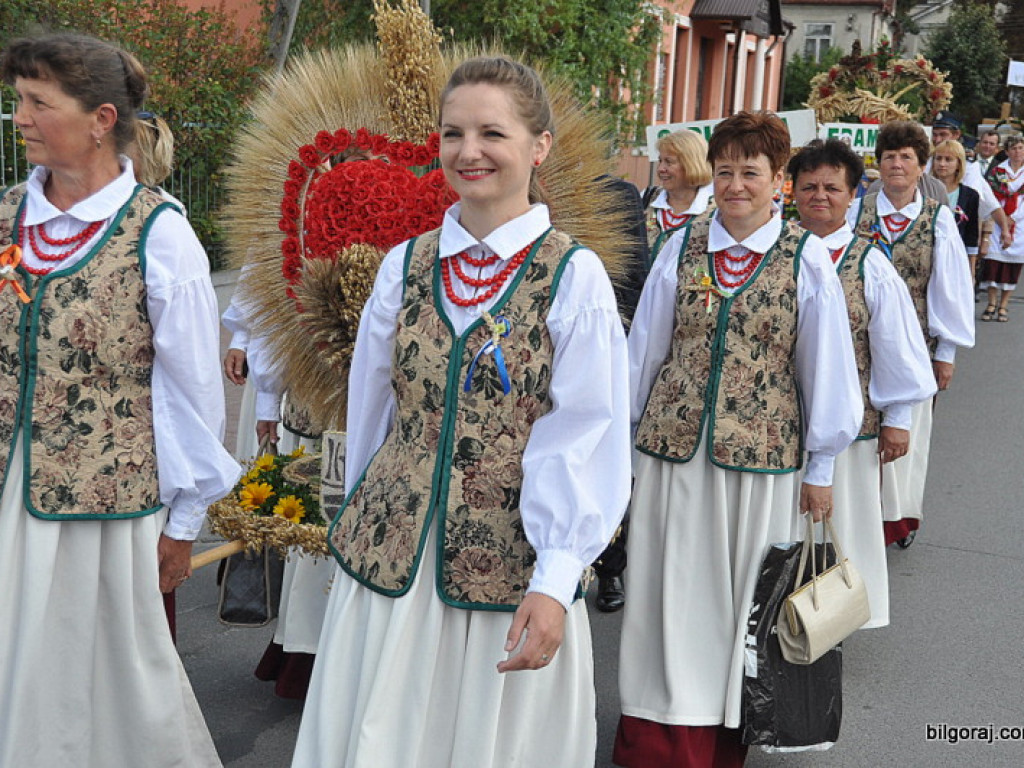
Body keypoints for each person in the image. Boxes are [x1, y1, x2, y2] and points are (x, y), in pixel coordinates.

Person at [290, 56, 630, 768]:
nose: (468, 151)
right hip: (392, 561)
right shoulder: (405, 265)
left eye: (491, 133)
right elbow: (372, 406)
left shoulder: (574, 277)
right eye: (453, 133)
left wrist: (558, 578)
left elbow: (588, 435)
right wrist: (361, 520)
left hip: (508, 571)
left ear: (539, 146)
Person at [0, 33, 239, 767]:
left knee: (105, 687)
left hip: (105, 507)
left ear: (101, 119)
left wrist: (184, 522)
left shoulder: (157, 234)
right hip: (8, 494)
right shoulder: (9, 215)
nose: (21, 118)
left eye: (39, 103)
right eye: (18, 101)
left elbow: (196, 394)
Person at [615, 112, 863, 767]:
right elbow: (645, 351)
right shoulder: (681, 246)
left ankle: (722, 735)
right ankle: (658, 736)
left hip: (759, 464)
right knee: (663, 593)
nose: (735, 185)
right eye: (724, 172)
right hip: (670, 455)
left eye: (751, 172)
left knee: (736, 606)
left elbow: (826, 370)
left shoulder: (805, 259)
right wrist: (621, 447)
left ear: (779, 180)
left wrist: (822, 468)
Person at [789, 139, 936, 628]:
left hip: (850, 426)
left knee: (844, 522)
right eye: (808, 186)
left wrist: (896, 419)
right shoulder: (778, 253)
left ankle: (836, 618)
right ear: (791, 192)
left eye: (832, 187)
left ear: (853, 195)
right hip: (781, 421)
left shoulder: (867, 261)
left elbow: (896, 346)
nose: (819, 196)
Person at [848, 120, 975, 546]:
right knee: (861, 427)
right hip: (858, 340)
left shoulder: (937, 219)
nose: (896, 165)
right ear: (878, 165)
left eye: (906, 157)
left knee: (907, 430)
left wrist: (947, 353)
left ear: (922, 166)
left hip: (917, 342)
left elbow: (950, 286)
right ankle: (859, 510)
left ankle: (897, 520)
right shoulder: (857, 211)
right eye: (889, 157)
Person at [643, 129, 713, 263]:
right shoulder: (646, 199)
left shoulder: (716, 210)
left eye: (669, 162)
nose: (660, 169)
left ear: (691, 164)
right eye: (660, 161)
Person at [930, 139, 982, 278]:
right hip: (928, 258)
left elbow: (971, 234)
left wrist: (971, 270)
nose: (942, 164)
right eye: (938, 158)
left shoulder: (970, 196)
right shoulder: (924, 191)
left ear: (959, 163)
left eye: (948, 160)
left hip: (956, 259)